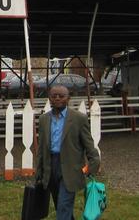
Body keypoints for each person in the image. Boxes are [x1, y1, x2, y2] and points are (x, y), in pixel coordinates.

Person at [35, 85, 100, 220]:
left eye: (61, 96)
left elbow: (88, 144)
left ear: (68, 98)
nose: (57, 98)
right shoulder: (43, 120)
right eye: (54, 96)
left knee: (64, 205)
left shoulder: (78, 119)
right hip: (50, 167)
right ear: (49, 99)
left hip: (71, 168)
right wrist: (39, 171)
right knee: (61, 204)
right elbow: (41, 148)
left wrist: (93, 164)